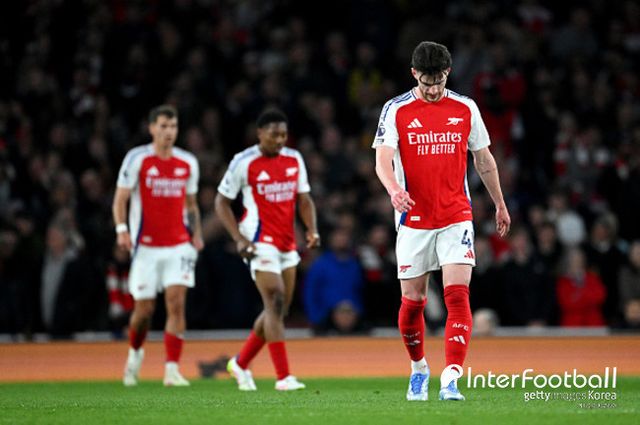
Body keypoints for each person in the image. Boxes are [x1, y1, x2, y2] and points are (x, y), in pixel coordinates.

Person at [372, 41, 511, 401]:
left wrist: (499, 203)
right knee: (412, 302)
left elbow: (484, 159)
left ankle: (451, 377)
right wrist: (393, 190)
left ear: (447, 73)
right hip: (413, 219)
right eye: (426, 82)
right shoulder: (396, 109)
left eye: (439, 81)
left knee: (458, 295)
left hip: (455, 216)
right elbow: (383, 159)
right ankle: (419, 368)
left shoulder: (465, 107)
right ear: (414, 73)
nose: (433, 90)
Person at [215, 108, 320, 391]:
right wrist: (238, 238)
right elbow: (221, 202)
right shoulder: (243, 162)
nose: (280, 140)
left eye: (284, 135)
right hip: (258, 241)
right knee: (275, 299)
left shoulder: (294, 159)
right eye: (274, 135)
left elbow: (304, 199)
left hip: (287, 242)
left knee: (277, 310)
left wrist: (311, 229)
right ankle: (283, 377)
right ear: (259, 133)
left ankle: (240, 363)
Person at [112, 104, 203, 387]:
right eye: (163, 126)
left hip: (179, 244)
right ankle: (135, 354)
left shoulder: (188, 162)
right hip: (146, 247)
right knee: (144, 311)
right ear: (151, 128)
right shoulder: (137, 159)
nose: (168, 132)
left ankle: (172, 369)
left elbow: (191, 204)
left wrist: (197, 234)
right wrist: (122, 230)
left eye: (173, 126)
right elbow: (121, 198)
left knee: (176, 303)